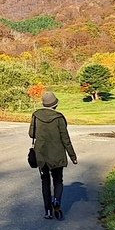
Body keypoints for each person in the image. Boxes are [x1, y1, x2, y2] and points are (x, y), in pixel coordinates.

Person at [28, 91, 77, 220]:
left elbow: (31, 134)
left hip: (41, 155)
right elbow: (65, 139)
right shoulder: (59, 118)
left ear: (43, 104)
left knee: (45, 182)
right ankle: (56, 201)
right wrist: (72, 156)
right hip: (57, 155)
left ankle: (48, 211)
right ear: (55, 104)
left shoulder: (36, 115)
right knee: (58, 180)